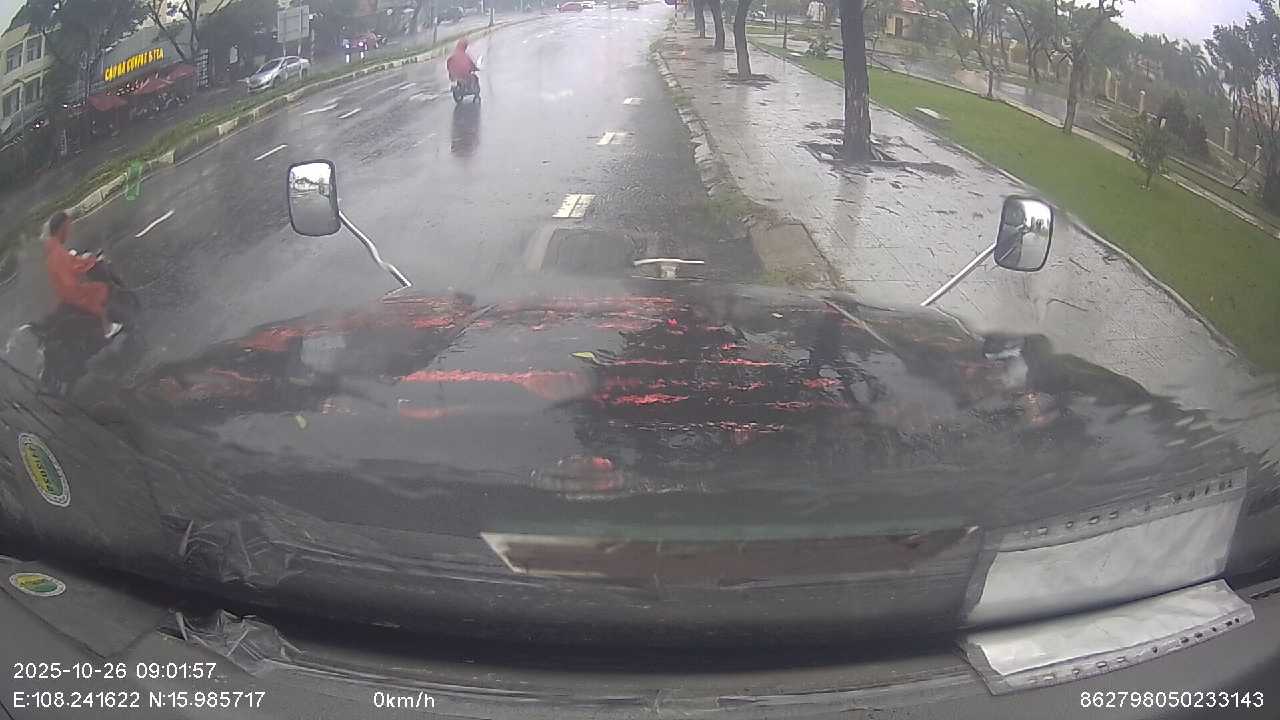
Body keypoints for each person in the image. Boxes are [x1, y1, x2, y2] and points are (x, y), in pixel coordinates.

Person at [43, 210, 123, 339]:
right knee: (101, 289)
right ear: (62, 229)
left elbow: (69, 261)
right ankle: (107, 328)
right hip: (72, 290)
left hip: (62, 291)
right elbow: (75, 266)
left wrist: (77, 257)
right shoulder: (58, 251)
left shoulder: (53, 248)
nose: (69, 231)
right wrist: (92, 260)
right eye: (68, 227)